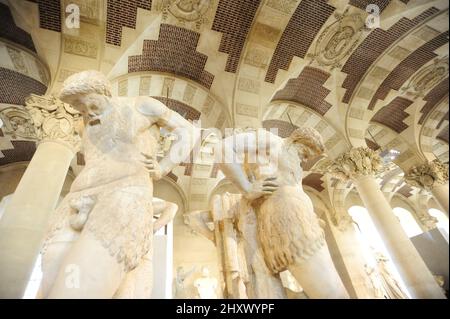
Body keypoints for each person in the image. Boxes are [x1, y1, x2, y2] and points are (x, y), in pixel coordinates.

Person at [40, 70, 194, 298]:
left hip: (123, 196)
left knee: (75, 287)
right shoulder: (84, 125)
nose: (86, 111)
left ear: (101, 90)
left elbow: (188, 131)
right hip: (76, 200)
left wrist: (163, 167)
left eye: (88, 103)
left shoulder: (141, 106)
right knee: (49, 283)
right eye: (78, 108)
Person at [218, 127, 349, 298]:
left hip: (299, 218)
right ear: (297, 140)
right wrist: (247, 188)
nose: (304, 159)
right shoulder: (273, 141)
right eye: (304, 152)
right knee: (334, 294)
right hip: (289, 218)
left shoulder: (288, 157)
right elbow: (222, 148)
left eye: (307, 157)